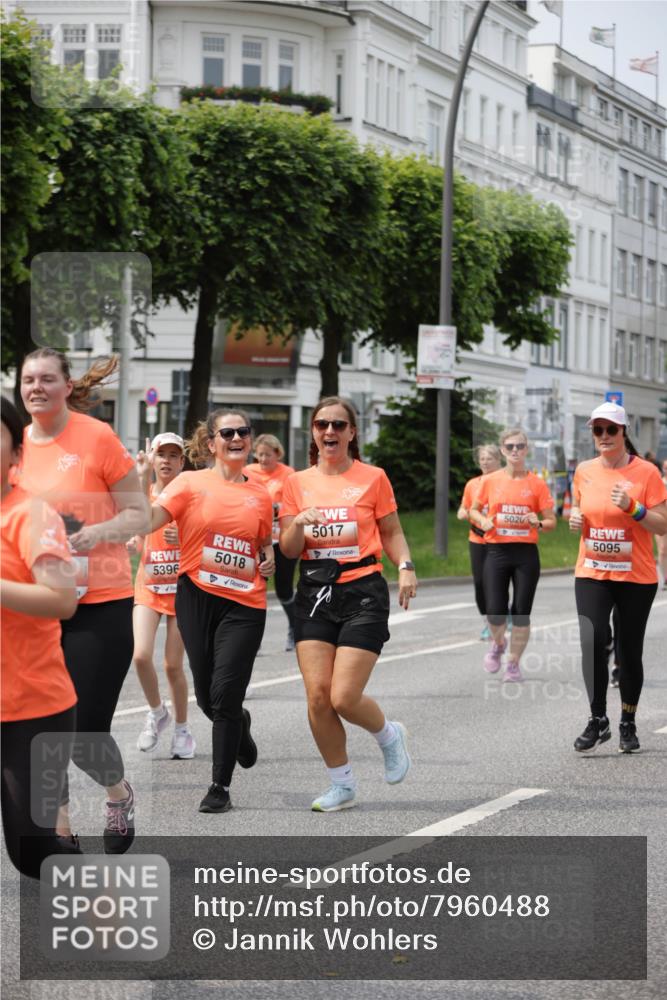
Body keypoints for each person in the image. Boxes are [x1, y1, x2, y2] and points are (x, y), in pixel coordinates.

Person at [18, 349, 146, 854]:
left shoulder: (97, 437)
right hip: (37, 607)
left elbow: (140, 513)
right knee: (42, 727)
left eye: (47, 379)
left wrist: (97, 533)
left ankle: (118, 792)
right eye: (29, 380)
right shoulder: (15, 448)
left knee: (85, 731)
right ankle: (62, 829)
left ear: (67, 386)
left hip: (102, 601)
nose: (36, 388)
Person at [280, 396, 418, 813]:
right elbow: (288, 549)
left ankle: (389, 735)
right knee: (318, 698)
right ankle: (341, 784)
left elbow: (391, 531)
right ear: (314, 432)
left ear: (352, 433)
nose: (330, 432)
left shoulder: (373, 477)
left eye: (339, 425)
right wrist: (298, 525)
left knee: (342, 696)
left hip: (362, 590)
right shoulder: (295, 483)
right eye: (322, 425)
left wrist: (407, 567)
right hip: (315, 593)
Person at [138, 409, 274, 814]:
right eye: (227, 433)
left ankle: (219, 785)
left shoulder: (261, 493)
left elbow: (263, 543)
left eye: (243, 432)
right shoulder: (189, 482)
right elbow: (147, 520)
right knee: (206, 697)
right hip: (196, 596)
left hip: (246, 603)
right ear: (211, 442)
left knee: (226, 693)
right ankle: (240, 727)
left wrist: (269, 561)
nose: (237, 438)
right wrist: (137, 478)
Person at [1, 396, 80, 879]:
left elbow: (61, 599)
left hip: (31, 708)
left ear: (15, 454)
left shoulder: (31, 515)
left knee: (32, 855)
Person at [569, 402, 667, 753]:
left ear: (624, 432)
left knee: (628, 651)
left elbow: (663, 523)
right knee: (592, 641)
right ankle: (599, 719)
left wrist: (633, 507)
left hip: (636, 577)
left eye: (611, 430)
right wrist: (575, 518)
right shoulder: (584, 470)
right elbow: (577, 505)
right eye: (598, 430)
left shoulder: (647, 473)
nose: (605, 436)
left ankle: (628, 720)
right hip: (592, 571)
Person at [470, 428, 556, 683]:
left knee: (521, 612)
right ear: (503, 450)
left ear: (526, 449)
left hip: (525, 554)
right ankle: (498, 645)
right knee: (494, 610)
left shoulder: (537, 483)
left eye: (520, 446)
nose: (515, 451)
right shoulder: (490, 481)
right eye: (510, 447)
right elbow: (472, 511)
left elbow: (551, 521)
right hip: (496, 551)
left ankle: (514, 664)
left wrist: (538, 523)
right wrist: (483, 521)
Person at [130, 433, 195, 759]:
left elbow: (203, 538)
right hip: (149, 586)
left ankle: (182, 729)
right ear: (153, 459)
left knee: (172, 666)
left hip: (180, 590)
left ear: (182, 462)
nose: (167, 460)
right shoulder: (145, 491)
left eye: (174, 455)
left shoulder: (188, 495)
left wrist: (183, 537)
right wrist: (134, 543)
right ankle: (158, 712)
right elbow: (140, 532)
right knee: (140, 655)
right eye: (162, 454)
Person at [245, 434, 298, 650]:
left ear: (278, 454)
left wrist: (276, 508)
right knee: (255, 590)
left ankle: (295, 630)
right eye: (260, 455)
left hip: (281, 538)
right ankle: (251, 640)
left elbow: (294, 503)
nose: (264, 459)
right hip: (258, 540)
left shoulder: (288, 474)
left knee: (284, 590)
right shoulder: (248, 472)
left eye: (268, 454)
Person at [457, 444, 502, 640]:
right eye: (482, 458)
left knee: (496, 583)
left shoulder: (504, 482)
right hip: (477, 538)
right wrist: (463, 513)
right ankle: (487, 623)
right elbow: (463, 508)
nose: (484, 462)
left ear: (498, 460)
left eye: (489, 458)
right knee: (479, 583)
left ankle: (499, 617)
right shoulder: (472, 484)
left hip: (500, 539)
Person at [657, 458, 667, 590]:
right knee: (663, 549)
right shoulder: (659, 482)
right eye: (665, 467)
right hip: (661, 518)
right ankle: (665, 578)